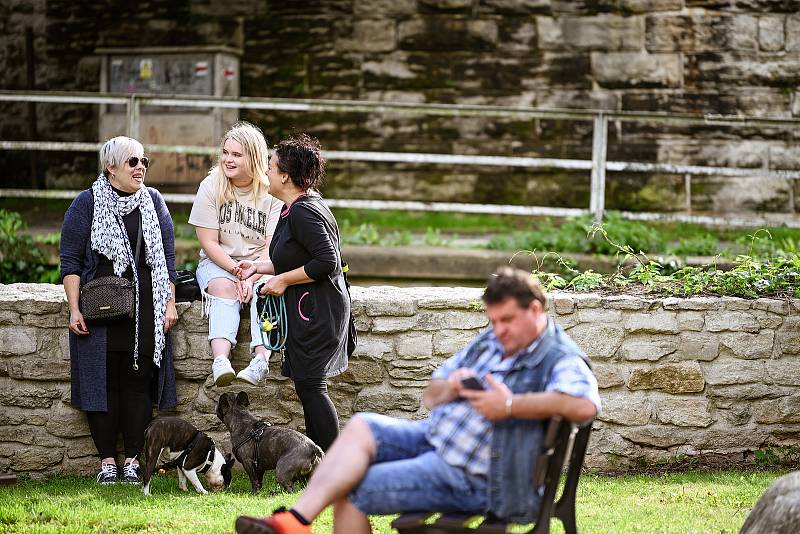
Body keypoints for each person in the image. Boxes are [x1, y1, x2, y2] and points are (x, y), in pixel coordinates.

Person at [234, 266, 601, 534]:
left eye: (507, 320)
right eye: (493, 321)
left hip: (477, 474)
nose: (499, 330)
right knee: (362, 425)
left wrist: (509, 406)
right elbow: (431, 395)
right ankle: (296, 521)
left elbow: (585, 406)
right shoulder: (494, 340)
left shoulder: (558, 356)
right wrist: (454, 387)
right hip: (435, 441)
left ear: (535, 310)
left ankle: (294, 522)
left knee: (350, 485)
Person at [60, 136, 178, 485]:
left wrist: (169, 303)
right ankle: (107, 463)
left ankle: (132, 463)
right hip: (98, 311)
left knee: (137, 384)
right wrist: (73, 309)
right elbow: (70, 264)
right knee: (103, 386)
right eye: (132, 162)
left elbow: (167, 263)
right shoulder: (86, 203)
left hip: (145, 310)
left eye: (144, 161)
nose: (140, 167)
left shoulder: (154, 201)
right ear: (110, 167)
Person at [234, 133, 351, 452]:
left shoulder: (304, 211)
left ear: (285, 176)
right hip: (310, 311)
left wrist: (284, 280)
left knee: (313, 388)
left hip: (317, 313)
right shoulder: (297, 206)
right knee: (308, 387)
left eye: (270, 167)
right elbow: (298, 256)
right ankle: (317, 464)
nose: (265, 173)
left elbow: (327, 261)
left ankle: (335, 468)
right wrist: (260, 267)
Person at [188, 121, 282, 387]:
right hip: (219, 262)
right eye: (225, 153)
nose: (228, 160)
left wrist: (252, 277)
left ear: (253, 157)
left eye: (236, 155)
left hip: (262, 263)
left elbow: (271, 244)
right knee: (222, 289)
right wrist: (236, 272)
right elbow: (208, 242)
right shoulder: (211, 186)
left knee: (267, 292)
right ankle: (221, 361)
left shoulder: (271, 191)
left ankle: (260, 361)